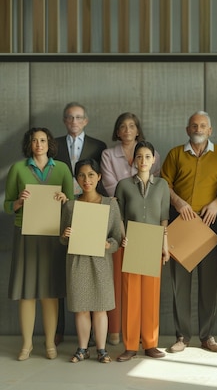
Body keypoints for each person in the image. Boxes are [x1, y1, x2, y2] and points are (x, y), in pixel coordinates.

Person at [161, 111, 217, 353]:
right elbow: (164, 185)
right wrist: (178, 203)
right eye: (194, 125)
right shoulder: (175, 154)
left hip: (210, 224)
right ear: (187, 129)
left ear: (210, 130)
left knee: (209, 283)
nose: (198, 128)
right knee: (180, 284)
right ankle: (182, 336)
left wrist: (216, 203)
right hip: (181, 223)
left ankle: (208, 336)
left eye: (203, 125)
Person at [4, 127, 74, 361]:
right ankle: (26, 345)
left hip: (53, 235)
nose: (39, 144)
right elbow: (7, 205)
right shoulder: (18, 169)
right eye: (34, 140)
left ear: (49, 143)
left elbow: (72, 205)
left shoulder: (62, 169)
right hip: (26, 234)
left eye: (43, 140)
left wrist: (66, 200)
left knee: (50, 292)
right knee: (27, 292)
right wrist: (18, 203)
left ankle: (49, 344)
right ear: (29, 144)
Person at [100, 112, 162, 345]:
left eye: (132, 126)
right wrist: (132, 192)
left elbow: (155, 192)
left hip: (148, 230)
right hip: (120, 222)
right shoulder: (108, 155)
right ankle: (119, 332)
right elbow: (111, 187)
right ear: (117, 131)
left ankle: (149, 340)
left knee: (148, 289)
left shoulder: (152, 158)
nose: (127, 130)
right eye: (122, 126)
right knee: (122, 282)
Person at [54, 102, 107, 345]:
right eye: (69, 117)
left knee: (92, 271)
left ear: (85, 121)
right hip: (64, 208)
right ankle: (59, 329)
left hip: (91, 211)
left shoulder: (99, 146)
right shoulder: (52, 145)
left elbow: (101, 178)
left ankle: (96, 338)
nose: (74, 121)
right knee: (63, 271)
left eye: (78, 117)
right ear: (65, 121)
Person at [60, 159, 122, 363]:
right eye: (82, 176)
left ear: (99, 177)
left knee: (101, 306)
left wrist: (108, 244)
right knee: (81, 307)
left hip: (101, 262)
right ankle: (82, 348)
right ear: (77, 179)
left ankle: (102, 350)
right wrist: (65, 234)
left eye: (91, 175)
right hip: (78, 262)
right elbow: (62, 238)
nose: (86, 180)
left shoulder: (110, 204)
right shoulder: (70, 205)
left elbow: (117, 238)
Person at [114, 141, 170, 362]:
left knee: (151, 295)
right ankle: (129, 345)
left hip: (153, 243)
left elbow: (164, 218)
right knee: (130, 295)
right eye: (139, 157)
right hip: (132, 243)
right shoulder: (123, 185)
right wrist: (122, 236)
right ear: (133, 160)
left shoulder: (163, 186)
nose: (143, 160)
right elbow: (118, 215)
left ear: (153, 159)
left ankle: (150, 343)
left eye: (147, 156)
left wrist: (165, 247)